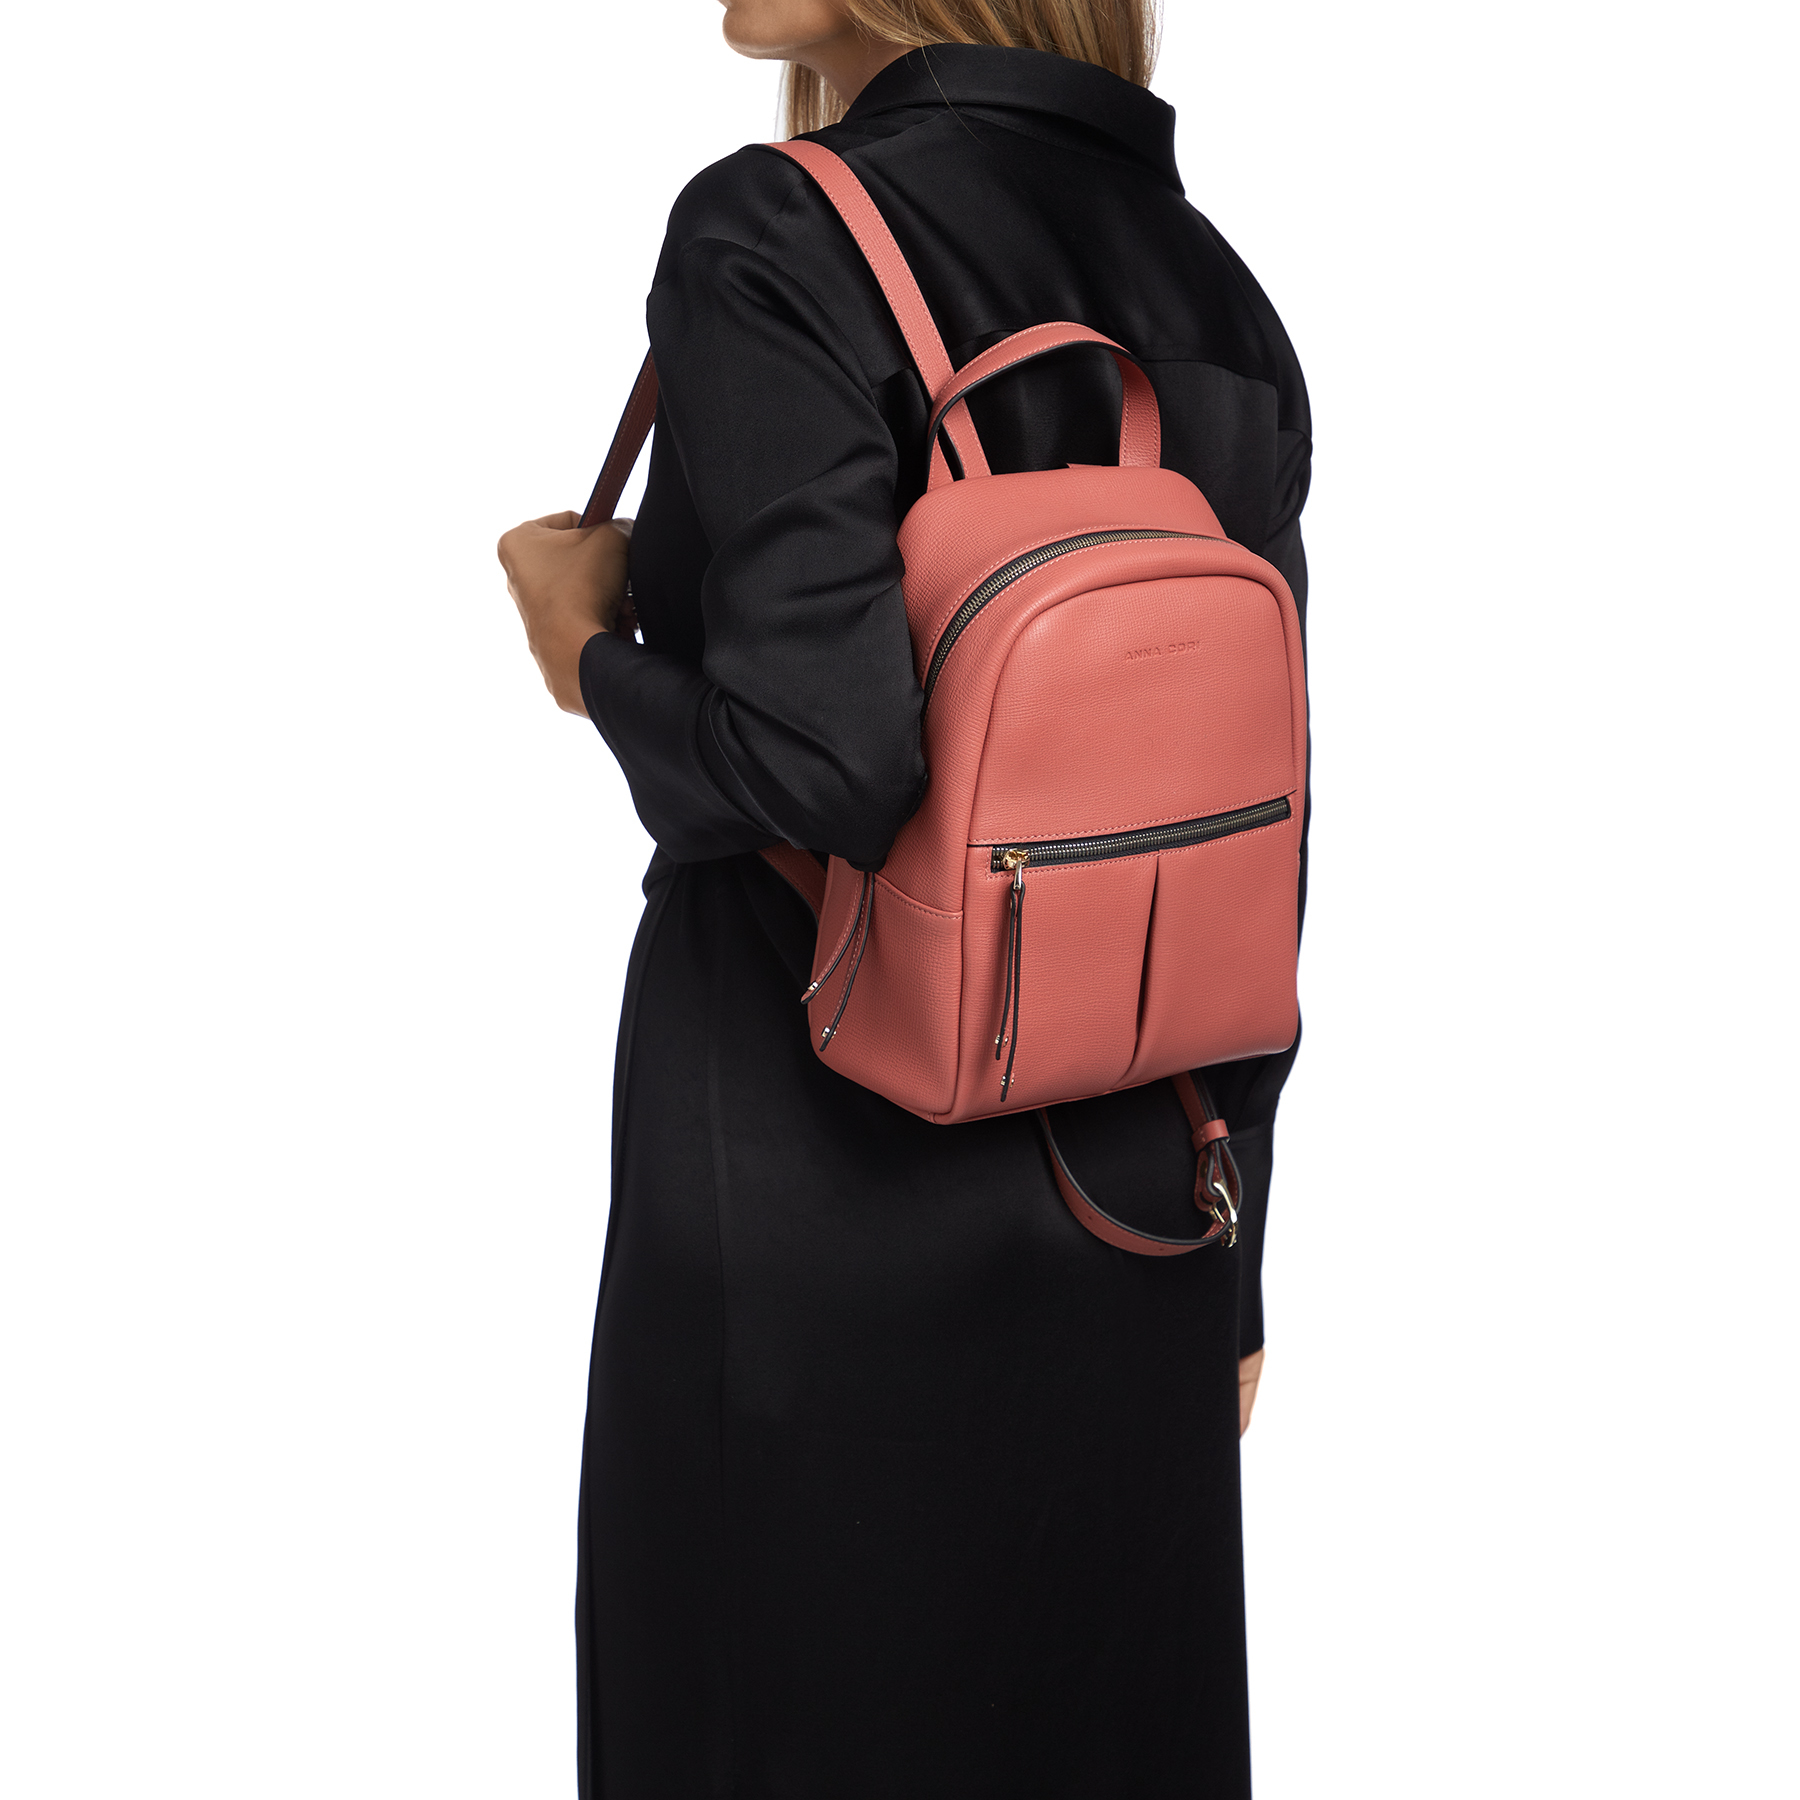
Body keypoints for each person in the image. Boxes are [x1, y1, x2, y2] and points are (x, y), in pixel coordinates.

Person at [499, 3, 1309, 1792]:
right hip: (1137, 1211)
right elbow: (1265, 838)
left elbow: (830, 759)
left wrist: (589, 658)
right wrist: (1239, 1265)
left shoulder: (775, 226)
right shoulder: (1211, 286)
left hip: (808, 1194)